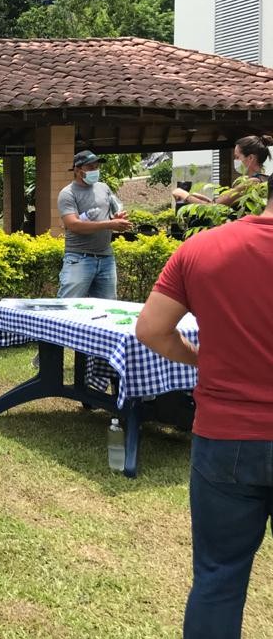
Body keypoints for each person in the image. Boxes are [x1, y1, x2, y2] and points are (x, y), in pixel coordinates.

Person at [136, 179, 273, 639]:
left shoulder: (204, 249)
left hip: (227, 438)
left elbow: (152, 329)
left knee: (218, 578)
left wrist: (200, 359)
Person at [57, 150, 132, 299]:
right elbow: (73, 225)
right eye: (90, 167)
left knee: (106, 310)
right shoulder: (67, 193)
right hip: (79, 258)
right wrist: (110, 224)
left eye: (97, 167)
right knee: (68, 307)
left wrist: (116, 217)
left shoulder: (104, 188)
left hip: (106, 258)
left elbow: (111, 213)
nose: (95, 171)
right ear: (78, 171)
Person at [172, 134, 272, 206]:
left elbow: (214, 207)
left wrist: (184, 195)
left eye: (237, 157)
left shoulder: (251, 183)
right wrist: (197, 197)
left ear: (250, 158)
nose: (235, 160)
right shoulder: (265, 179)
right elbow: (222, 205)